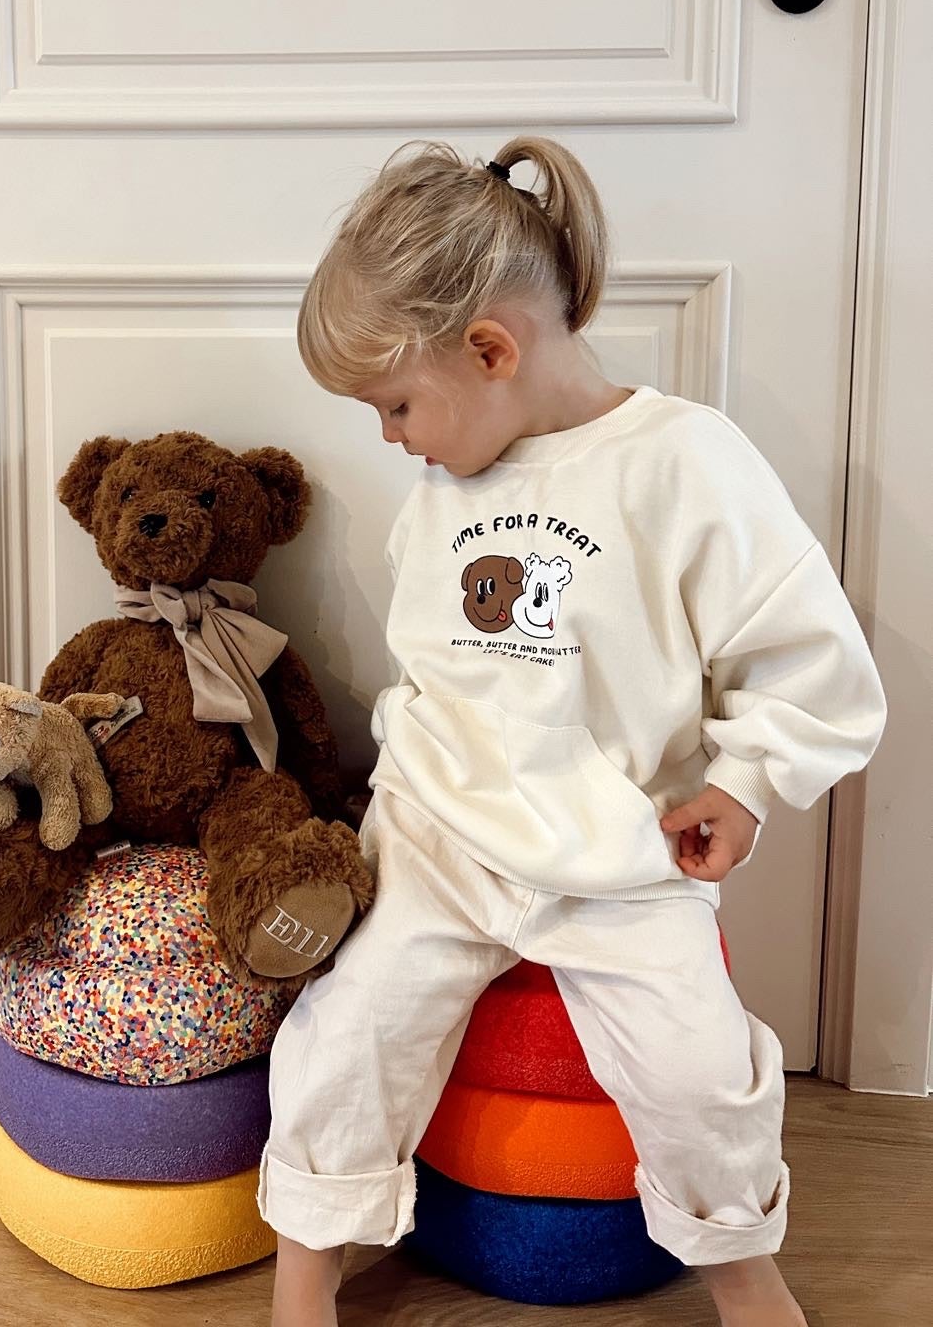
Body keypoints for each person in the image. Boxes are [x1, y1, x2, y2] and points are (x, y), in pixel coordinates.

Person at [263, 136, 887, 1327]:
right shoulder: (450, 481)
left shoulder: (684, 462)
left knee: (702, 1074)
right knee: (348, 1033)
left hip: (621, 851)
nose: (390, 436)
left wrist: (746, 782)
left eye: (396, 404)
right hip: (444, 835)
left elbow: (804, 650)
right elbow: (437, 669)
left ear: (491, 350)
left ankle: (745, 1277)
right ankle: (306, 1266)